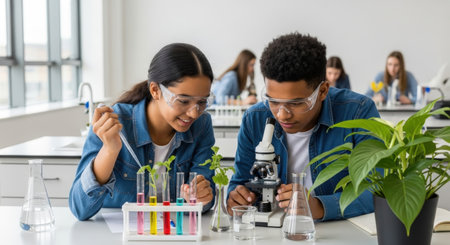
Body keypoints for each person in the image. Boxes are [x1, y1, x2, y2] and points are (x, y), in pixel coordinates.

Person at [226, 33, 380, 221]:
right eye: (273, 101)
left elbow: (377, 189)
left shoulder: (358, 113)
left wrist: (320, 206)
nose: (282, 114)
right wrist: (235, 198)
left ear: (322, 90)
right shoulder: (254, 118)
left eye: (297, 103)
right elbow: (239, 184)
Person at [69, 43, 216, 220]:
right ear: (155, 90)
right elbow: (80, 209)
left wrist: (201, 196)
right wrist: (109, 150)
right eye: (183, 101)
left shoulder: (201, 125)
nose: (194, 112)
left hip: (173, 233)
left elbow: (205, 201)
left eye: (202, 102)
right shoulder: (113, 122)